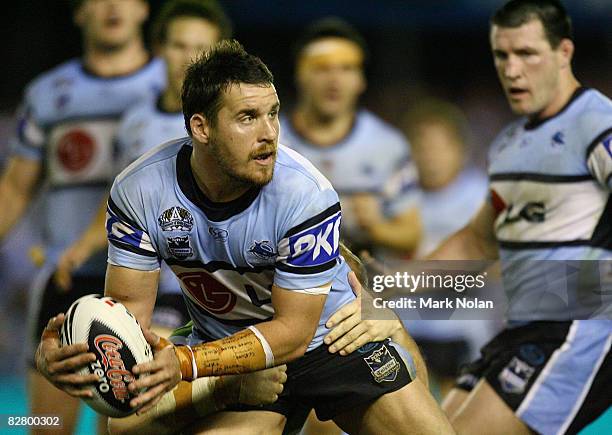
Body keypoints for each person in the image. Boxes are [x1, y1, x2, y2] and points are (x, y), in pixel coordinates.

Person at [36, 40, 453, 435]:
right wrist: (78, 354)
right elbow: (128, 314)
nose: (269, 132)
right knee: (124, 424)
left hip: (330, 343)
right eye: (248, 118)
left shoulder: (306, 191)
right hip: (230, 352)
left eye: (273, 113)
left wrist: (186, 362)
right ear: (201, 127)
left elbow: (292, 331)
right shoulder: (140, 190)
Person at [426, 1, 612, 434]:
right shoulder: (509, 145)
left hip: (576, 330)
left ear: (564, 52)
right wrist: (387, 289)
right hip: (521, 328)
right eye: (501, 55)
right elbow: (477, 243)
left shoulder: (596, 124)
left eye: (527, 54)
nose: (511, 70)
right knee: (427, 427)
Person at [0, 0, 164, 433]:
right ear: (77, 12)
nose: (113, 6)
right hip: (65, 282)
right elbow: (15, 188)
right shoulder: (48, 94)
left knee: (132, 426)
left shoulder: (171, 88)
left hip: (150, 283)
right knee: (48, 425)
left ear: (144, 9)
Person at [53, 0, 233, 337]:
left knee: (150, 366)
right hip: (149, 281)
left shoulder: (234, 122)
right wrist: (83, 246)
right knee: (102, 362)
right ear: (159, 49)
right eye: (179, 45)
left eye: (201, 48)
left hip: (213, 288)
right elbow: (120, 194)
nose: (189, 58)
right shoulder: (136, 121)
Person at [281, 17, 422, 258]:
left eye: (347, 68)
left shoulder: (387, 145)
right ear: (300, 75)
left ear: (361, 80)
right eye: (322, 68)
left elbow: (412, 236)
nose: (335, 81)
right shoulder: (272, 141)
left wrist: (376, 228)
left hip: (362, 290)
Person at [400, 99, 497, 398]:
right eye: (421, 146)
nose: (430, 156)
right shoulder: (397, 201)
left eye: (438, 146)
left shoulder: (483, 197)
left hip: (463, 333)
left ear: (460, 149)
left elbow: (496, 268)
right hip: (405, 330)